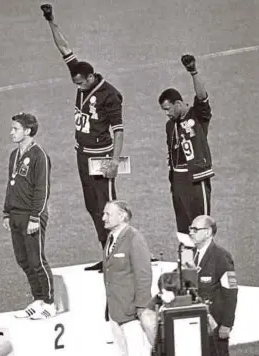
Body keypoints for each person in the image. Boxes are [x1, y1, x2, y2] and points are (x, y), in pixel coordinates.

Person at [41, 4, 124, 272]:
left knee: (109, 206)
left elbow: (119, 130)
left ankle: (119, 256)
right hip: (82, 155)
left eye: (80, 83)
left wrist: (113, 161)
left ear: (91, 77)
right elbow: (64, 49)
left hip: (101, 157)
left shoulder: (110, 95)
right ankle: (106, 253)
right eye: (75, 83)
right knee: (92, 206)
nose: (77, 86)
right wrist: (51, 20)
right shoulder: (80, 75)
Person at [3, 113, 55, 319]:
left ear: (28, 131)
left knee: (37, 260)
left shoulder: (39, 155)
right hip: (15, 214)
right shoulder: (13, 155)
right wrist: (6, 212)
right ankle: (38, 298)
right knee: (22, 260)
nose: (11, 133)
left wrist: (36, 218)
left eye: (15, 129)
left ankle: (50, 303)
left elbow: (42, 189)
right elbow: (11, 184)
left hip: (31, 216)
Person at [159, 54, 214, 234]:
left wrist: (193, 72)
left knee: (201, 227)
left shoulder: (197, 115)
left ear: (178, 103)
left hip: (196, 178)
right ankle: (186, 262)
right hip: (178, 181)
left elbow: (202, 97)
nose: (166, 114)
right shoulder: (170, 126)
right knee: (183, 231)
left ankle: (203, 262)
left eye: (168, 109)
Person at [102, 200, 152, 356]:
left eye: (107, 214)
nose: (103, 218)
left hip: (131, 313)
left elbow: (144, 275)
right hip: (115, 311)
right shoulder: (111, 237)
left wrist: (141, 308)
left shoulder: (134, 238)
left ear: (122, 215)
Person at [189, 215, 238, 356]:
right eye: (190, 229)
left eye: (195, 229)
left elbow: (231, 293)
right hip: (194, 322)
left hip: (215, 324)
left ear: (208, 232)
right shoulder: (190, 255)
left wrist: (227, 324)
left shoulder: (222, 257)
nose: (191, 232)